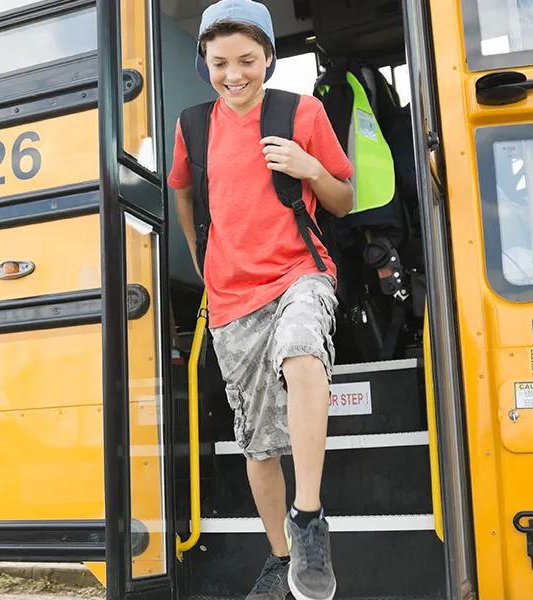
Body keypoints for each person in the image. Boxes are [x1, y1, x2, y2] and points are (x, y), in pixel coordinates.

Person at [166, 2, 355, 599]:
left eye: (247, 59)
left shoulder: (303, 111)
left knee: (303, 355)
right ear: (206, 62)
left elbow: (345, 199)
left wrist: (309, 168)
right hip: (230, 298)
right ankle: (280, 558)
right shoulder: (192, 125)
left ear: (269, 57)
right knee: (259, 442)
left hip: (300, 272)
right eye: (219, 62)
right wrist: (205, 265)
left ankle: (308, 518)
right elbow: (185, 196)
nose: (234, 74)